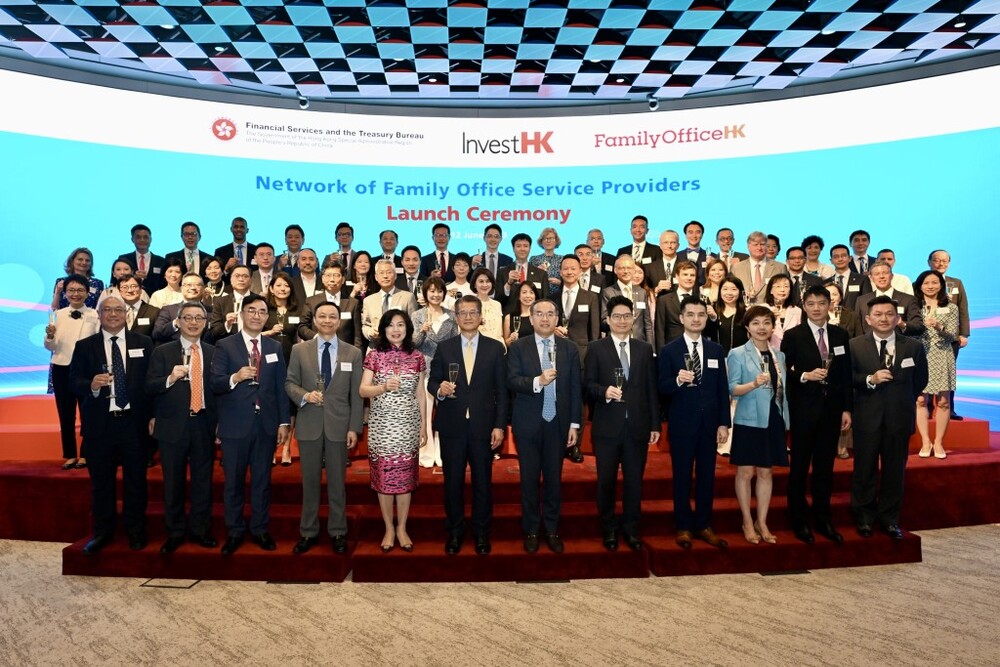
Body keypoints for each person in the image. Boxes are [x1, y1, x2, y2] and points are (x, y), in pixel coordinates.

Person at [69, 291, 153, 554]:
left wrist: (153, 416)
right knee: (101, 482)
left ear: (126, 314)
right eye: (108, 310)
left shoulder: (144, 342)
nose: (113, 314)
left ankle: (135, 530)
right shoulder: (85, 346)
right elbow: (73, 381)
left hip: (134, 425)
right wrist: (91, 385)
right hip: (100, 425)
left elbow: (151, 384)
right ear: (99, 315)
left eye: (118, 310)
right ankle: (102, 532)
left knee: (136, 481)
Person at [428, 295, 509, 555]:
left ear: (481, 316)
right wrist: (439, 389)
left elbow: (502, 391)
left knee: (483, 483)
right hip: (452, 426)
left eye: (473, 312)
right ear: (456, 317)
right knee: (452, 483)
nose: (468, 317)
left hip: (483, 427)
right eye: (463, 313)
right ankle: (455, 532)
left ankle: (481, 533)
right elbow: (432, 381)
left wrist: (499, 425)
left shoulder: (495, 348)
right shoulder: (445, 347)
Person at [211, 295, 291, 554]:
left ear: (267, 316)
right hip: (235, 424)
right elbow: (215, 383)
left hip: (266, 424)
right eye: (252, 310)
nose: (257, 315)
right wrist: (235, 377)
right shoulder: (225, 345)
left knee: (262, 481)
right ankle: (234, 531)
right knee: (233, 482)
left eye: (262, 311)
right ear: (242, 313)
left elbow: (280, 387)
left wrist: (283, 422)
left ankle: (260, 529)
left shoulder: (274, 347)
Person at [285, 302, 364, 555]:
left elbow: (356, 395)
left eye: (332, 316)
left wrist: (354, 427)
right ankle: (308, 532)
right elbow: (290, 383)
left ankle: (338, 531)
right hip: (309, 424)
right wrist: (305, 396)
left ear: (339, 321)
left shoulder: (353, 353)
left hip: (339, 426)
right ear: (315, 320)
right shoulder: (299, 350)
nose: (327, 320)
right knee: (309, 483)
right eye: (322, 316)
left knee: (337, 483)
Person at [584, 295, 660, 551]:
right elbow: (587, 385)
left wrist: (655, 424)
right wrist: (604, 391)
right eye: (616, 316)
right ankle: (609, 528)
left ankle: (630, 529)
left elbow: (651, 389)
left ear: (633, 318)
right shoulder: (596, 348)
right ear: (608, 320)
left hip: (637, 427)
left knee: (634, 482)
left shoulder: (644, 349)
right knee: (606, 482)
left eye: (627, 316)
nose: (622, 321)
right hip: (607, 427)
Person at [849, 295, 928, 540]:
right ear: (868, 319)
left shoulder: (913, 347)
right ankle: (864, 518)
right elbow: (847, 378)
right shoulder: (854, 345)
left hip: (899, 418)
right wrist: (869, 380)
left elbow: (920, 381)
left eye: (889, 314)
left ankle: (890, 520)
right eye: (878, 314)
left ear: (897, 318)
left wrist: (899, 400)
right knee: (864, 470)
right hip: (867, 418)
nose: (884, 318)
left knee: (895, 472)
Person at [507, 299, 582, 554]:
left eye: (550, 314)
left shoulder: (569, 348)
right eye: (539, 314)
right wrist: (538, 381)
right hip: (528, 424)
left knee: (553, 480)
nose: (545, 318)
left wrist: (574, 424)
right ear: (531, 318)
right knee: (529, 480)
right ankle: (531, 529)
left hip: (558, 424)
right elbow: (512, 381)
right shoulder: (519, 347)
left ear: (557, 318)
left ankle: (551, 529)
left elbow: (575, 388)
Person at [781, 286, 853, 544]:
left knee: (825, 468)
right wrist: (804, 375)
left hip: (832, 411)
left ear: (829, 305)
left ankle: (823, 519)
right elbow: (783, 371)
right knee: (800, 467)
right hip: (803, 410)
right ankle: (799, 520)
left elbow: (845, 374)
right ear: (804, 306)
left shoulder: (840, 334)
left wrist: (846, 408)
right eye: (810, 303)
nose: (816, 308)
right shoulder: (793, 335)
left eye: (821, 303)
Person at [146, 301, 218, 554]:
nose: (194, 322)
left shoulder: (214, 352)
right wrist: (170, 378)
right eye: (188, 317)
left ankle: (200, 530)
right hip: (172, 425)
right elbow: (149, 387)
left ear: (206, 323)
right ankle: (175, 532)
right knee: (173, 482)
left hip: (203, 423)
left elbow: (219, 391)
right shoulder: (163, 351)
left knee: (203, 482)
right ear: (178, 321)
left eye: (199, 318)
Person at [659, 296, 731, 549]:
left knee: (706, 477)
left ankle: (703, 524)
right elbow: (661, 387)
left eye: (701, 314)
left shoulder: (715, 350)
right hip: (682, 423)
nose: (696, 319)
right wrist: (678, 380)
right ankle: (683, 526)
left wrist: (724, 423)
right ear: (681, 318)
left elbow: (722, 388)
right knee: (681, 476)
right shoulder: (669, 350)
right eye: (690, 314)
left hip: (709, 424)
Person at [359, 310, 428, 553]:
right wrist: (383, 387)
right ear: (383, 329)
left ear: (408, 329)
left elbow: (420, 394)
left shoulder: (417, 356)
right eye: (390, 325)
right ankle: (389, 527)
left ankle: (402, 527)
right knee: (385, 477)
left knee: (405, 478)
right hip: (382, 425)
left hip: (408, 424)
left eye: (400, 325)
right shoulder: (374, 355)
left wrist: (424, 426)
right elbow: (363, 390)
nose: (395, 330)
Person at [727, 305, 790, 545]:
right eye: (755, 323)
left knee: (766, 472)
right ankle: (746, 520)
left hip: (773, 418)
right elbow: (732, 388)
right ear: (747, 328)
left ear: (773, 327)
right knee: (745, 473)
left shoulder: (779, 355)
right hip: (749, 420)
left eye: (766, 322)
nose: (761, 327)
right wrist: (753, 384)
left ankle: (761, 522)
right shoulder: (737, 353)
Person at [45, 274, 100, 470]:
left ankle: (86, 454)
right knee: (65, 414)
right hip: (62, 368)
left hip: (86, 371)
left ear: (87, 292)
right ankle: (69, 454)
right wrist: (49, 337)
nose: (76, 294)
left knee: (88, 414)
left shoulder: (95, 315)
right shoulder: (57, 315)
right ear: (65, 293)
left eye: (80, 290)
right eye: (71, 290)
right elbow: (50, 347)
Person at [412, 277, 458, 469]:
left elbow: (455, 343)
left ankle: (442, 453)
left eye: (439, 291)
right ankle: (425, 452)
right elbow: (412, 344)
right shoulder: (417, 315)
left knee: (445, 415)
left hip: (445, 371)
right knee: (425, 413)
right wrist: (422, 331)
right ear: (425, 294)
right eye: (431, 291)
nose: (436, 294)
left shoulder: (452, 316)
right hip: (424, 369)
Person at [913, 270, 958, 459]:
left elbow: (953, 335)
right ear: (920, 285)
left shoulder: (951, 307)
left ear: (941, 285)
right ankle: (926, 441)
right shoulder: (914, 306)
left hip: (942, 354)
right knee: (920, 400)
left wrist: (939, 327)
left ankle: (938, 442)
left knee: (943, 401)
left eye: (934, 282)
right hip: (920, 355)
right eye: (926, 283)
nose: (930, 286)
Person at [928, 249, 969, 420]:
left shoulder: (956, 283)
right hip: (928, 337)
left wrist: (964, 333)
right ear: (929, 262)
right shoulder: (922, 282)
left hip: (951, 336)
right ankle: (928, 407)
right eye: (937, 260)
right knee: (928, 372)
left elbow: (963, 309)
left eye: (945, 261)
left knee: (949, 373)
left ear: (949, 263)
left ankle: (949, 408)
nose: (941, 264)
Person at [299, 263, 362, 349]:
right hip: (317, 349)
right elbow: (302, 327)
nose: (332, 279)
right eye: (328, 275)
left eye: (336, 275)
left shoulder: (353, 303)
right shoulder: (311, 301)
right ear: (322, 279)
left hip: (344, 352)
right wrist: (315, 336)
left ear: (343, 279)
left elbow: (358, 337)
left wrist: (357, 355)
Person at [854, 261, 924, 337]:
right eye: (877, 274)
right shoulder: (862, 300)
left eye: (885, 273)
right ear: (871, 278)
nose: (881, 276)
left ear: (892, 276)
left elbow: (919, 327)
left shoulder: (908, 299)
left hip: (899, 343)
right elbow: (857, 328)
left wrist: (902, 324)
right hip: (869, 343)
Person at [555, 255, 600, 366]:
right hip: (557, 352)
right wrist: (553, 329)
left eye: (573, 269)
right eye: (565, 269)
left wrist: (593, 356)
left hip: (582, 354)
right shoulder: (552, 298)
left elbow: (594, 331)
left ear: (580, 272)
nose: (569, 272)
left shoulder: (591, 297)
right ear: (560, 272)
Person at [361, 259, 418, 342]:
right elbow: (365, 325)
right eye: (381, 273)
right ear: (376, 277)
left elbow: (414, 324)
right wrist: (370, 332)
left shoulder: (408, 297)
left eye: (389, 272)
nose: (385, 276)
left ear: (395, 276)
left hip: (401, 346)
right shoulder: (368, 300)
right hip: (376, 346)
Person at [601, 255, 652, 343]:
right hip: (616, 341)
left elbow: (647, 323)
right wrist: (619, 321)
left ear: (633, 270)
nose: (626, 271)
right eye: (622, 268)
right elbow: (604, 321)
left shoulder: (641, 292)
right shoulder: (608, 292)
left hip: (639, 342)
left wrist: (651, 347)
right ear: (615, 270)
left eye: (629, 268)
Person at [152, 272, 214, 344]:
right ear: (181, 288)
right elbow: (156, 333)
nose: (193, 288)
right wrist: (175, 324)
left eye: (197, 285)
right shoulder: (168, 310)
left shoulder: (212, 311)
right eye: (188, 285)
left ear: (203, 288)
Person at [654, 260, 701, 351]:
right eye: (685, 274)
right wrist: (662, 355)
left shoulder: (701, 299)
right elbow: (660, 330)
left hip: (696, 349)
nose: (689, 278)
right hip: (672, 349)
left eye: (692, 275)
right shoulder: (664, 300)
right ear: (677, 276)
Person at [731, 231, 788, 304]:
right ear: (748, 246)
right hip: (744, 309)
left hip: (771, 309)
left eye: (762, 244)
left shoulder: (780, 268)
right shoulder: (736, 268)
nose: (759, 248)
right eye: (755, 244)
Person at [496, 232, 551, 308]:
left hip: (533, 314)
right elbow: (498, 300)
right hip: (509, 314)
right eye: (518, 246)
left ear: (530, 248)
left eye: (525, 246)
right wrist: (508, 283)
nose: (522, 249)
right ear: (513, 248)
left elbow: (546, 300)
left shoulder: (541, 274)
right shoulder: (502, 272)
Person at [117, 224, 166, 293]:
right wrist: (133, 276)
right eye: (138, 237)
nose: (142, 240)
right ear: (132, 239)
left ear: (151, 239)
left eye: (145, 237)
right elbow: (116, 282)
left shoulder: (161, 261)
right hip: (128, 296)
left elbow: (164, 284)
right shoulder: (124, 259)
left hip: (154, 298)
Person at [209, 265, 253, 340]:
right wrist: (227, 324)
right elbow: (213, 332)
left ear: (251, 280)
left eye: (245, 276)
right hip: (228, 343)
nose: (241, 279)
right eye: (237, 276)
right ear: (231, 279)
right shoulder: (220, 302)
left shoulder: (259, 300)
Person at [826, 244, 870, 310]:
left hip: (855, 316)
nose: (840, 259)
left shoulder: (862, 279)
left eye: (843, 256)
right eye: (836, 257)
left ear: (850, 258)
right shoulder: (826, 283)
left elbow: (867, 302)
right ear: (831, 261)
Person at [764, 274, 802, 348]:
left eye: (786, 286)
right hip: (769, 349)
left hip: (791, 350)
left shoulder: (797, 310)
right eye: (778, 286)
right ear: (770, 290)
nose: (782, 290)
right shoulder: (763, 309)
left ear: (790, 290)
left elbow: (799, 334)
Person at [471, 267, 504, 346]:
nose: (485, 285)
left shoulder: (497, 304)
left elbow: (499, 331)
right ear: (474, 284)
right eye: (481, 281)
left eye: (488, 281)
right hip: (477, 347)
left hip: (498, 347)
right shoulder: (469, 304)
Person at [530, 226, 565, 294]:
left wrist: (559, 282)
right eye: (545, 238)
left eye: (551, 238)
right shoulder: (534, 259)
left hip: (558, 295)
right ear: (541, 242)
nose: (548, 241)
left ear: (556, 241)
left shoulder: (562, 259)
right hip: (539, 295)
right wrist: (536, 272)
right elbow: (529, 281)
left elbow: (568, 279)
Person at [504, 282, 538, 347]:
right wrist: (511, 339)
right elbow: (506, 344)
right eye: (524, 292)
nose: (528, 296)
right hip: (517, 352)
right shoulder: (509, 317)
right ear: (519, 296)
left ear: (535, 296)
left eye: (531, 292)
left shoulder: (540, 316)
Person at [681, 220, 708, 285]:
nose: (694, 235)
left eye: (697, 232)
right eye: (690, 232)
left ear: (702, 235)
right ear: (685, 235)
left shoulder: (711, 256)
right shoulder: (677, 256)